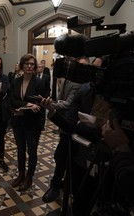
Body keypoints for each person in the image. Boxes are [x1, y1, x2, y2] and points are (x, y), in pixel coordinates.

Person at [42, 57, 89, 203]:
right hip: (65, 125)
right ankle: (56, 186)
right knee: (60, 156)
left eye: (84, 67)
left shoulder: (85, 86)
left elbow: (68, 104)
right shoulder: (68, 79)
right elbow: (63, 99)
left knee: (75, 162)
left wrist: (52, 106)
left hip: (83, 130)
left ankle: (71, 190)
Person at [9, 54, 49, 191]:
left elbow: (40, 103)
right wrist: (27, 104)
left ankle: (29, 177)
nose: (29, 66)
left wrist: (32, 106)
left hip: (33, 122)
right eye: (26, 63)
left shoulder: (39, 82)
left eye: (32, 64)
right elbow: (12, 100)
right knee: (20, 150)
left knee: (31, 151)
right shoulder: (15, 81)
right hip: (18, 121)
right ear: (22, 65)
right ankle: (21, 174)